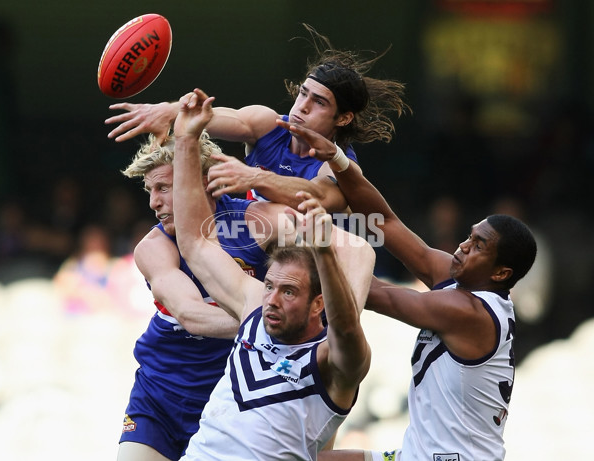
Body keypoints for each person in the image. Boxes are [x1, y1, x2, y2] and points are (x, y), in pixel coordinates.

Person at [276, 120, 538, 461]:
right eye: (469, 236)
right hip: (417, 454)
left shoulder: (468, 312)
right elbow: (386, 223)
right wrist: (339, 160)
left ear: (501, 272)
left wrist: (311, 242)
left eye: (478, 246)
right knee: (291, 456)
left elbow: (374, 294)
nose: (463, 245)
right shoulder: (463, 283)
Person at [170, 88, 374, 460]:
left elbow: (347, 313)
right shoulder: (254, 312)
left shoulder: (334, 362)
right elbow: (196, 244)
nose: (272, 300)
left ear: (318, 304)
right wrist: (185, 139)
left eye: (290, 292)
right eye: (269, 285)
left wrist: (324, 252)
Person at [105, 24, 408, 213]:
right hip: (248, 250)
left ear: (343, 118)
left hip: (301, 268)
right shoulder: (268, 124)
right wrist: (171, 111)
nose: (301, 107)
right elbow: (215, 118)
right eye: (303, 94)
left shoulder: (341, 167)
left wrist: (253, 177)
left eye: (318, 102)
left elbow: (316, 196)